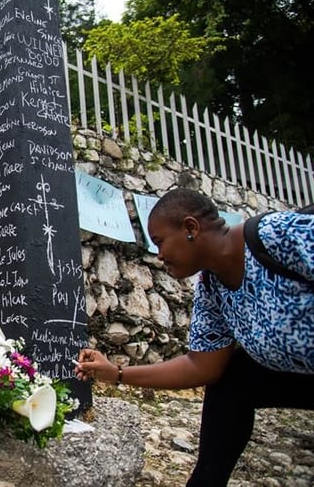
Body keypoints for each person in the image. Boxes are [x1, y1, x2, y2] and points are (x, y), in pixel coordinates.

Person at [74, 188, 314, 486]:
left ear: (191, 228)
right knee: (230, 378)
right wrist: (117, 373)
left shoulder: (276, 235)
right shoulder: (211, 288)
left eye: (160, 242)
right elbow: (202, 366)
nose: (159, 255)